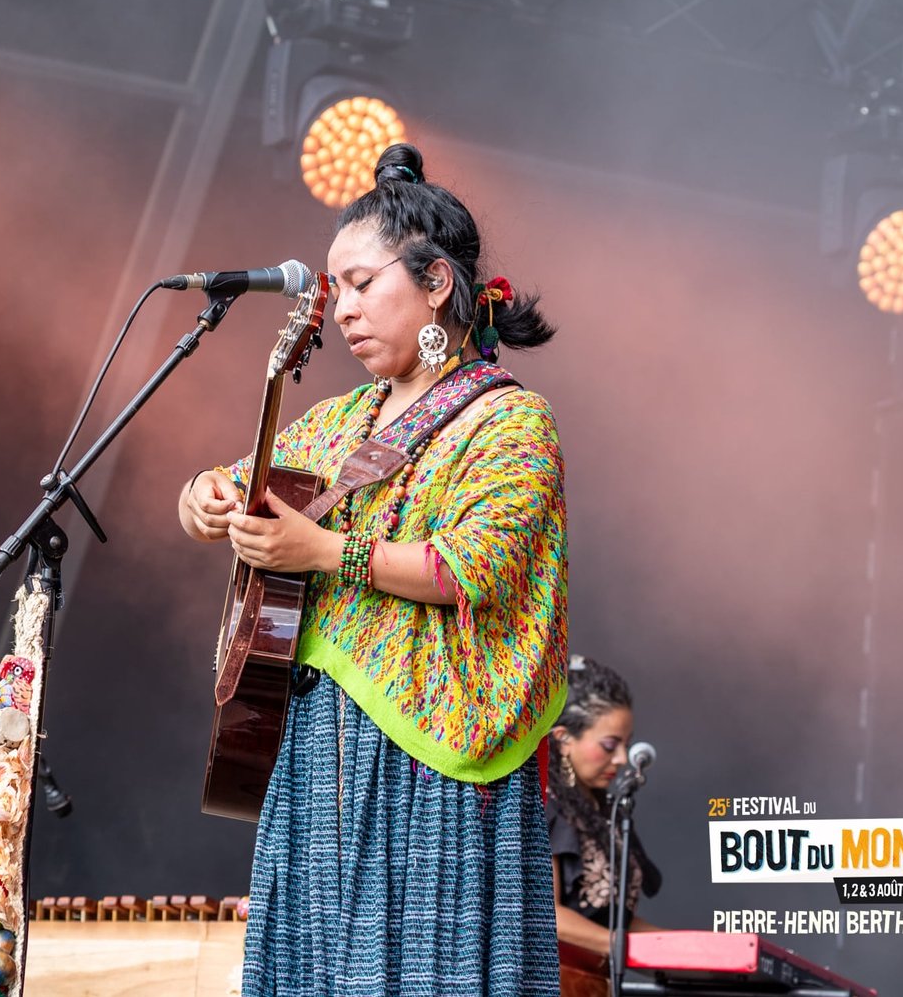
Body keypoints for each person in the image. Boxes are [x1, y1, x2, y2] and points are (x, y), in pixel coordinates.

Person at [178, 143, 567, 996]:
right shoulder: (335, 417)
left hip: (435, 754)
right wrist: (201, 498)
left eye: (361, 283)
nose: (339, 307)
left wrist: (325, 553)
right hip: (317, 750)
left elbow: (474, 568)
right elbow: (234, 483)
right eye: (333, 288)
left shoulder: (510, 422)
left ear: (434, 284)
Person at [545, 655, 663, 956]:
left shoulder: (602, 812)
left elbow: (612, 920)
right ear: (562, 739)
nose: (622, 759)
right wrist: (632, 948)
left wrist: (690, 948)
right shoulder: (547, 806)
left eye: (626, 744)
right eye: (610, 745)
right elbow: (547, 915)